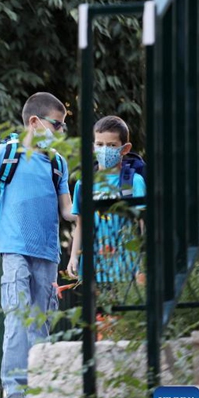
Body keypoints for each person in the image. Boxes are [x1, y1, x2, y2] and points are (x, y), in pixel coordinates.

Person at [0, 92, 74, 398]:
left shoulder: (58, 162)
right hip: (13, 247)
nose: (60, 131)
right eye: (57, 124)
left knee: (40, 321)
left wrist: (94, 204)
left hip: (47, 252)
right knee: (16, 317)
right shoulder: (6, 153)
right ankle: (15, 391)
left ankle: (39, 391)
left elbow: (68, 209)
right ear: (34, 122)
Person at [66, 116, 146, 285]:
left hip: (126, 269)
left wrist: (141, 265)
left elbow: (141, 224)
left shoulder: (134, 182)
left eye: (111, 145)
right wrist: (74, 257)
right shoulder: (84, 184)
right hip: (93, 269)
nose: (105, 150)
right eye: (100, 144)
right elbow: (81, 224)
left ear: (125, 148)